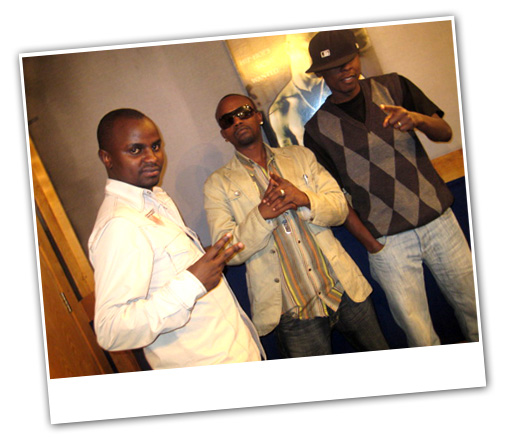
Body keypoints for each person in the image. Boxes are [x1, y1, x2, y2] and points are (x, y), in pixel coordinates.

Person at [303, 29, 478, 347]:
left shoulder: (394, 86)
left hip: (440, 223)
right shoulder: (316, 130)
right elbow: (335, 199)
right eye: (333, 66)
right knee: (419, 335)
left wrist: (417, 119)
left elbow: (444, 131)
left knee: (476, 312)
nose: (345, 68)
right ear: (320, 74)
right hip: (388, 242)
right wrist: (371, 244)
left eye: (349, 59)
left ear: (358, 56)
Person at [203, 94, 389, 358]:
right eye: (227, 120)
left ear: (258, 116)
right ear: (224, 134)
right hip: (292, 312)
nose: (237, 121)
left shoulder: (300, 156)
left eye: (244, 112)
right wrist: (262, 216)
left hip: (343, 289)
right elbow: (226, 252)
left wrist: (303, 199)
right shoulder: (217, 184)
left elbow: (339, 208)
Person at [88, 108, 264, 370]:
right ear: (107, 158)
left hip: (236, 350)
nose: (152, 158)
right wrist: (193, 282)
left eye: (155, 146)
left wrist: (204, 261)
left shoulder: (154, 199)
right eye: (135, 150)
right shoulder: (121, 224)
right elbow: (111, 330)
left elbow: (168, 270)